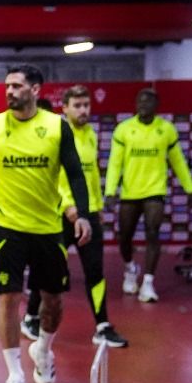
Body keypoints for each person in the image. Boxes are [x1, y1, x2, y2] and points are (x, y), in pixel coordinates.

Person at [0, 67, 92, 383]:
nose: (9, 91)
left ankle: (42, 349)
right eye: (7, 86)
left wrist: (84, 216)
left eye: (16, 86)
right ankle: (15, 375)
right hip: (7, 228)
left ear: (34, 89)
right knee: (8, 298)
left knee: (53, 301)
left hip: (47, 229)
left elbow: (75, 174)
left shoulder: (56, 126)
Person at [22, 87, 130, 348]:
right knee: (47, 271)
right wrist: (68, 205)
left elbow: (89, 176)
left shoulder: (90, 134)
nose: (84, 110)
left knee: (95, 271)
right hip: (59, 216)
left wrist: (97, 206)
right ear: (65, 108)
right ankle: (30, 317)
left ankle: (102, 326)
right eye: (78, 105)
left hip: (88, 214)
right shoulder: (54, 134)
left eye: (86, 105)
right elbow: (49, 176)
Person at [105, 88, 192, 303]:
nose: (143, 105)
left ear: (156, 106)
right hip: (130, 192)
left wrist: (190, 188)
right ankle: (130, 269)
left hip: (155, 191)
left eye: (148, 102)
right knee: (124, 237)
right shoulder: (124, 129)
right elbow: (115, 163)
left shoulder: (166, 130)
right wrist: (110, 192)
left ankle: (147, 283)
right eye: (140, 102)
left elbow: (178, 162)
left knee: (153, 233)